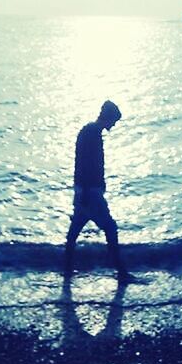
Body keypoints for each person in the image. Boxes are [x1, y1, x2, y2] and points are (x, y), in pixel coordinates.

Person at [64, 100, 129, 280]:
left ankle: (67, 270)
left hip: (86, 189)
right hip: (89, 191)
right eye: (113, 121)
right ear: (108, 117)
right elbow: (86, 164)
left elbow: (86, 163)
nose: (113, 125)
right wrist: (86, 191)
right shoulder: (92, 133)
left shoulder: (90, 131)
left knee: (74, 231)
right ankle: (121, 272)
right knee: (110, 228)